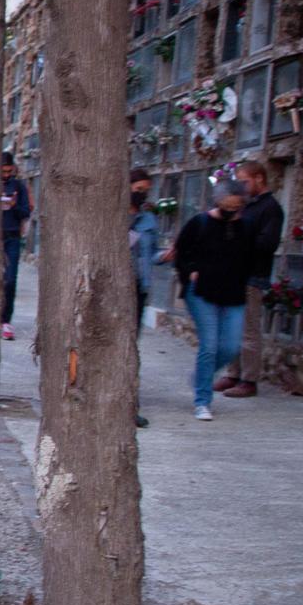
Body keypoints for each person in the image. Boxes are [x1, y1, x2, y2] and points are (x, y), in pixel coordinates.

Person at [175, 188, 252, 422]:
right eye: (226, 206)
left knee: (230, 346)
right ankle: (202, 401)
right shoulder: (199, 223)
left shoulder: (245, 228)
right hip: (201, 292)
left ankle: (201, 376)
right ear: (217, 202)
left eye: (234, 207)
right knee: (209, 345)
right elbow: (181, 253)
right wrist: (190, 273)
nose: (230, 211)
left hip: (233, 293)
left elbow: (252, 257)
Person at [218, 160, 284, 399]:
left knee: (248, 330)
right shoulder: (245, 206)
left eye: (245, 182)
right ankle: (232, 373)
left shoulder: (270, 208)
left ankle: (249, 379)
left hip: (252, 276)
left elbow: (268, 243)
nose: (242, 187)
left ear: (259, 178)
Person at [127, 167, 159, 430]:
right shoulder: (110, 214)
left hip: (139, 287)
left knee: (129, 348)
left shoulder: (149, 220)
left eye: (146, 190)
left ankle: (128, 405)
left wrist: (167, 256)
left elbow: (151, 253)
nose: (143, 194)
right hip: (113, 289)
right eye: (138, 190)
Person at [0, 153, 32, 340]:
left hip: (12, 237)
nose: (5, 175)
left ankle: (6, 320)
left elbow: (26, 212)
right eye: (3, 172)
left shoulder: (18, 186)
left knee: (10, 280)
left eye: (9, 172)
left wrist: (13, 205)